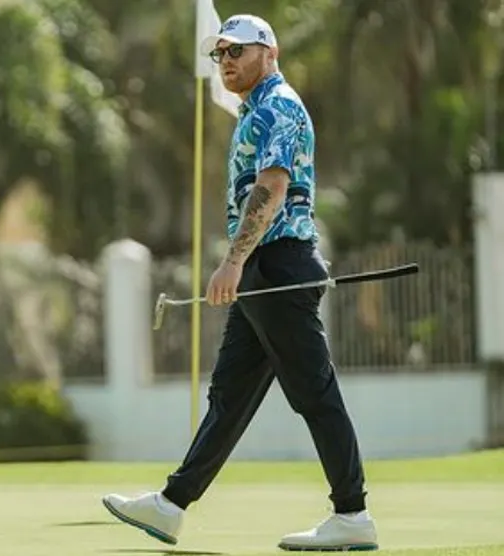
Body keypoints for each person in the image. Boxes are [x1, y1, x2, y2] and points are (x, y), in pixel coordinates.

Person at [100, 14, 378, 552]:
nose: (225, 62)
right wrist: (241, 266)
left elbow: (271, 187)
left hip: (278, 266)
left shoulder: (279, 106)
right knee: (230, 396)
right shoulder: (255, 110)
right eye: (220, 54)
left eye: (237, 51)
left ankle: (352, 513)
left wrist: (232, 261)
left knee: (314, 393)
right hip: (263, 268)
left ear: (269, 53)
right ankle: (171, 505)